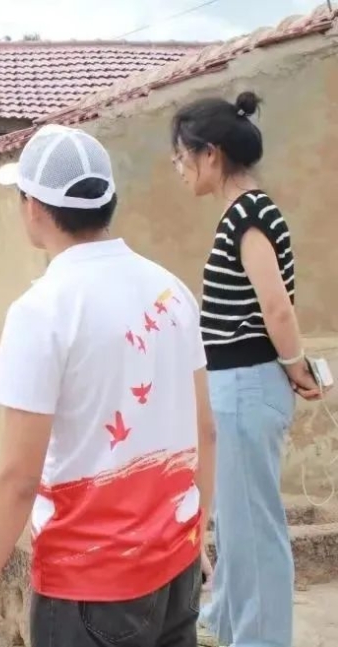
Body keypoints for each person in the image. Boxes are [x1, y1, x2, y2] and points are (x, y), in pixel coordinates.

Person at [0, 124, 217, 647]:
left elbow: (18, 477)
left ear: (33, 207)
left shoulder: (43, 309)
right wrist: (197, 529)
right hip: (176, 564)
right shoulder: (170, 290)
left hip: (90, 584)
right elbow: (205, 431)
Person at [171, 91, 325, 647]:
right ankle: (231, 626)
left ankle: (259, 639)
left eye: (182, 156)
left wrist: (296, 365)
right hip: (236, 385)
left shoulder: (249, 213)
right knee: (236, 525)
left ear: (210, 154)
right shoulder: (244, 213)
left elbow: (276, 306)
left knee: (253, 529)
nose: (179, 168)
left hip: (247, 383)